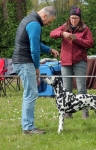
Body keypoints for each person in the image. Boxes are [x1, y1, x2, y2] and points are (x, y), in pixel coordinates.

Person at [12, 6, 59, 135]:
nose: (48, 24)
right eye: (49, 21)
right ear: (44, 16)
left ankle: (27, 125)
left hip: (21, 61)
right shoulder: (35, 24)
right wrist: (37, 66)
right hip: (25, 62)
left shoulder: (29, 19)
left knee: (29, 93)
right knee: (31, 93)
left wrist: (49, 50)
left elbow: (36, 43)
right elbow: (34, 49)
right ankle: (28, 127)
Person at [50, 6, 94, 119]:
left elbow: (90, 43)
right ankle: (67, 112)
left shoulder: (85, 29)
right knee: (66, 89)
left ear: (80, 19)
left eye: (76, 18)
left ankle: (85, 112)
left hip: (80, 61)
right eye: (72, 17)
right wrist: (62, 34)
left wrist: (76, 39)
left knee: (81, 88)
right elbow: (52, 33)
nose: (73, 20)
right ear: (69, 18)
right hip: (65, 61)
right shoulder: (64, 27)